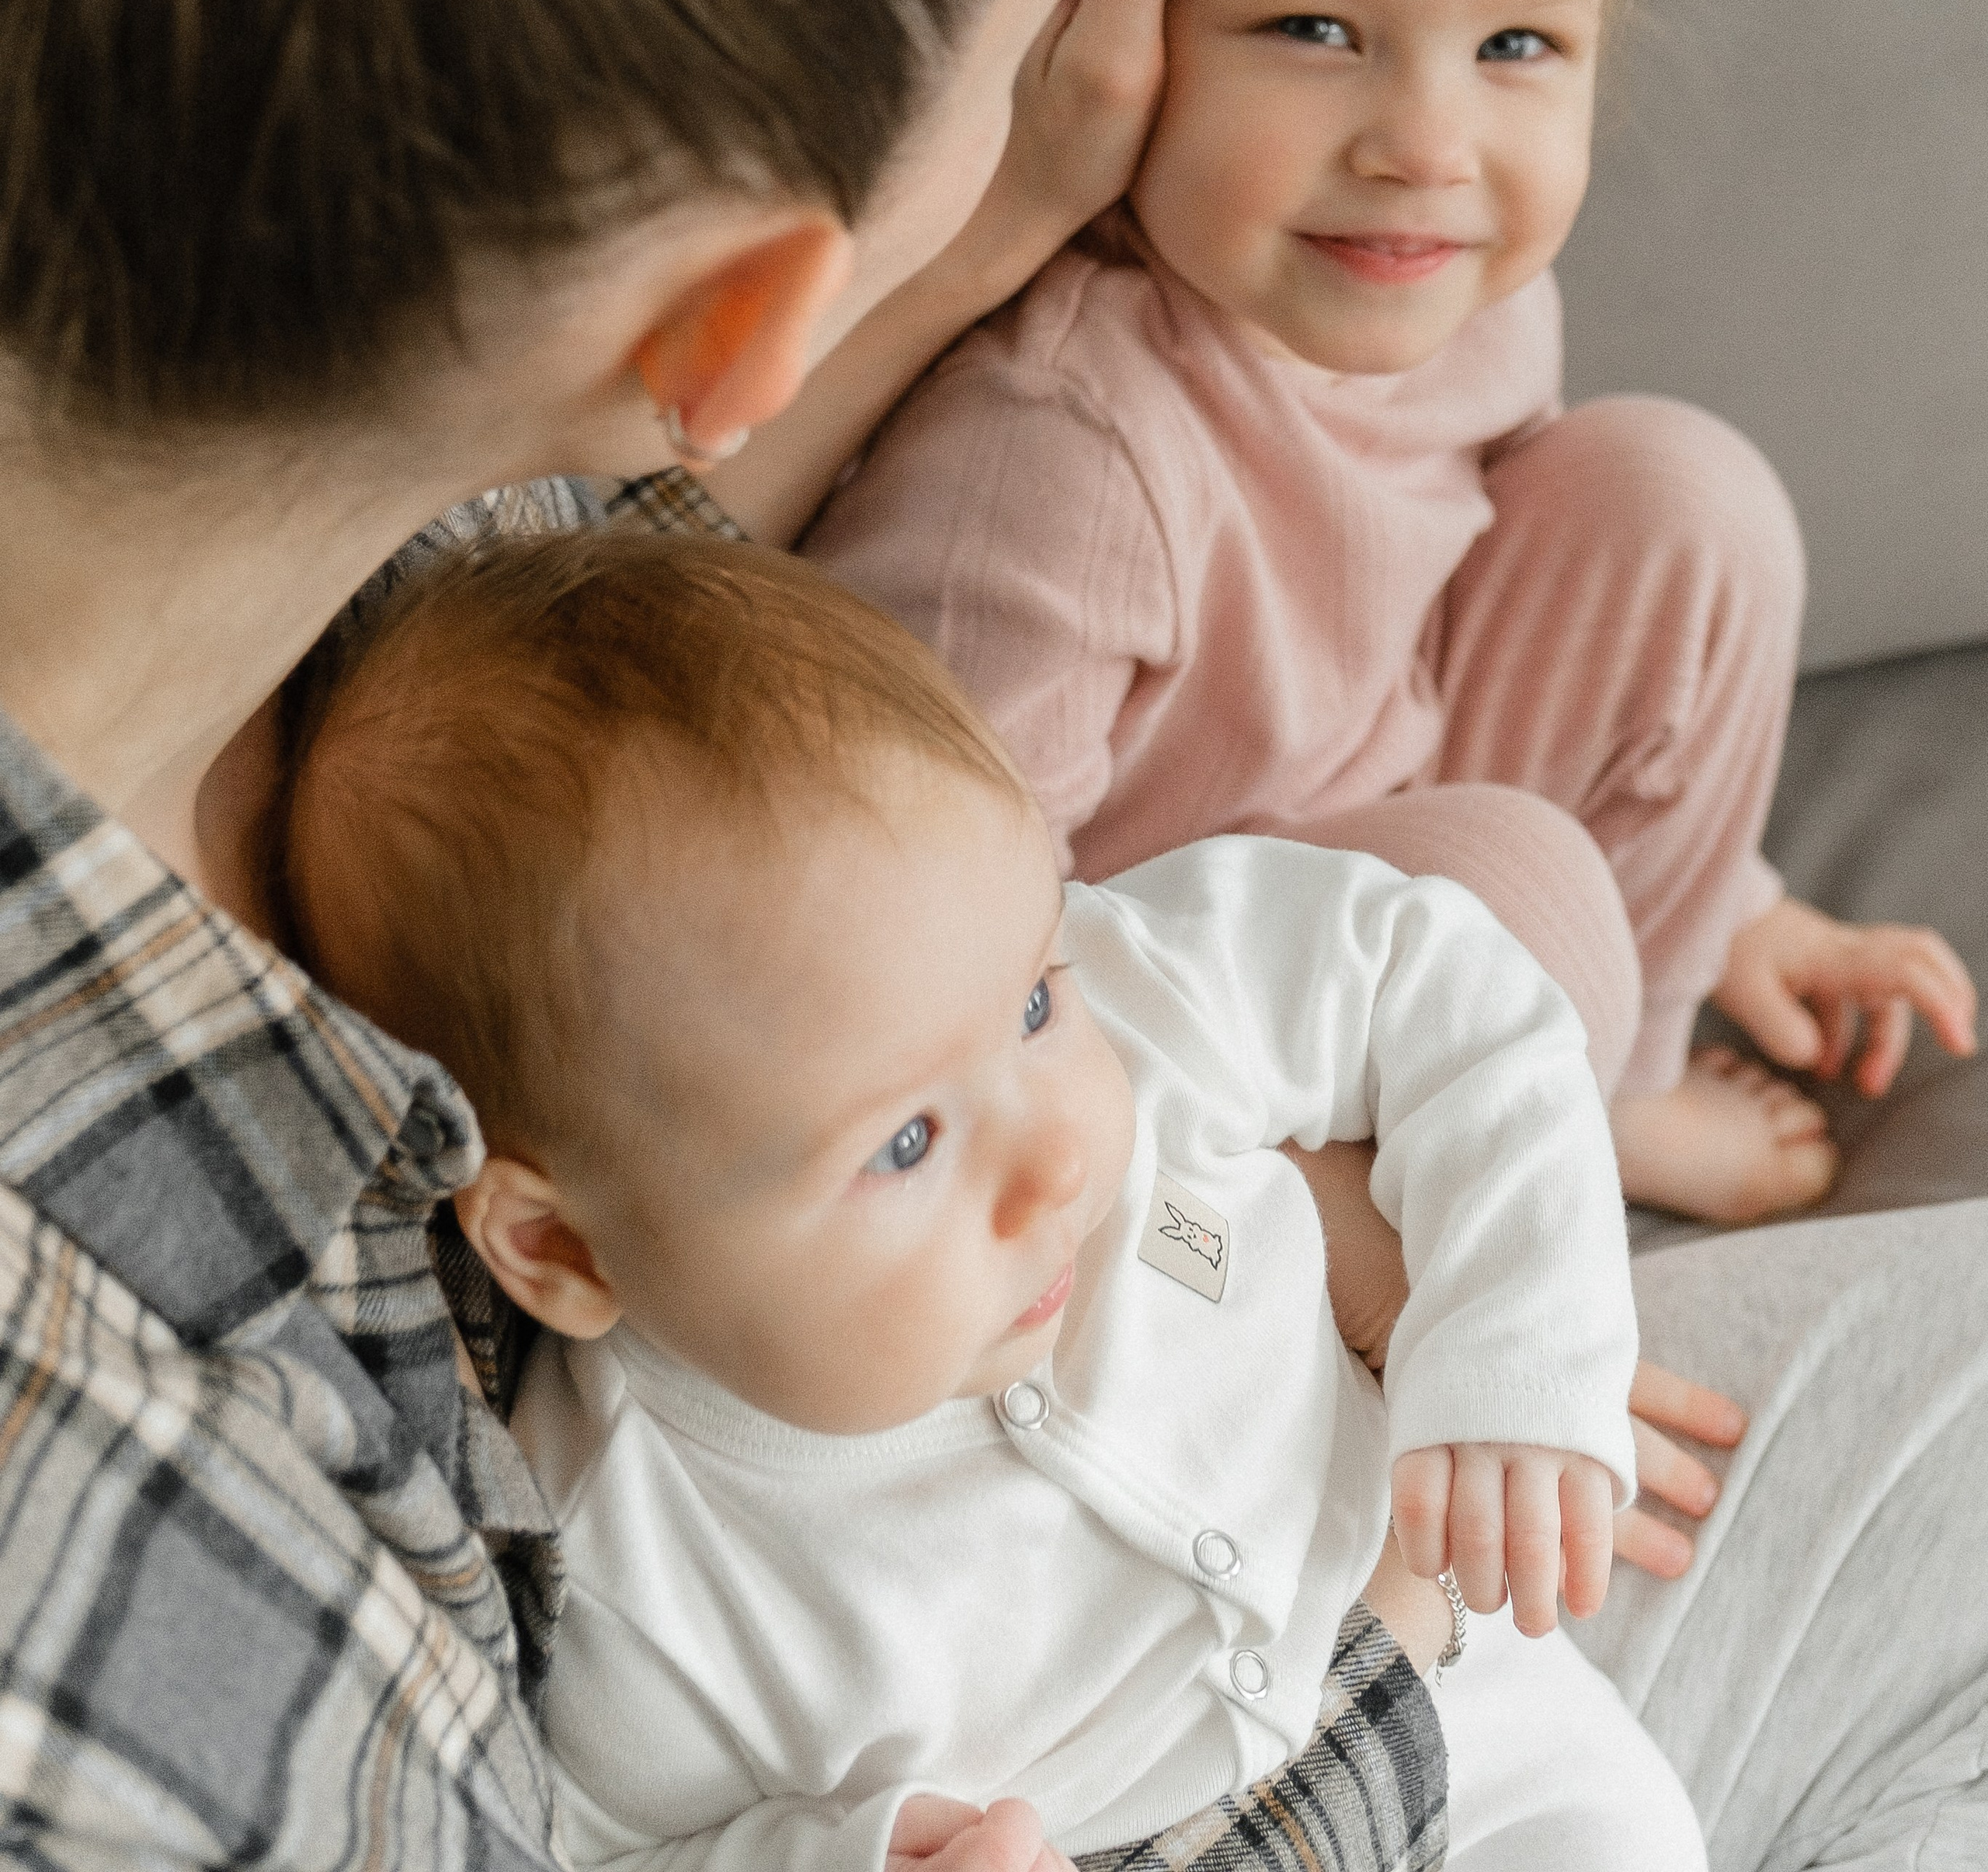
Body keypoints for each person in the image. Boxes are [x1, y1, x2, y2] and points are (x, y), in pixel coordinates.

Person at [0, 0, 1977, 1872]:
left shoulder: (365, 430)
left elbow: (670, 598)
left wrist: (1029, 158)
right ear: (757, 313)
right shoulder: (140, 1536)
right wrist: (1348, 1483)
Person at [803, 0, 1977, 1227]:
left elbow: (1461, 643)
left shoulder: (1465, 309)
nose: (1424, 148)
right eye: (1311, 31)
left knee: (1678, 495)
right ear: (1118, 20)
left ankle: (1606, 1083)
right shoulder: (1069, 446)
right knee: (1511, 879)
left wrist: (1736, 914)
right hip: (1133, 1017)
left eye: (1514, 49)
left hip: (1369, 851)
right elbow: (916, 953)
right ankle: (1486, 1182)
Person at [278, 524, 1703, 1872]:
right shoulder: (637, 1570)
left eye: (1032, 1001)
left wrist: (1515, 1349)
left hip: (1477, 1680)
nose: (1058, 1160)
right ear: (563, 1247)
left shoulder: (1131, 993)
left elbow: (1444, 987)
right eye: (904, 1146)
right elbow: (601, 1848)